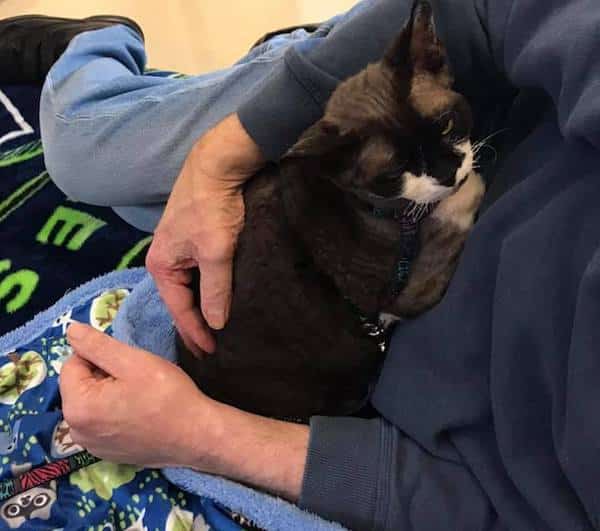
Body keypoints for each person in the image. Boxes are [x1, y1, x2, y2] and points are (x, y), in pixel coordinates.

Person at [2, 0, 600, 528]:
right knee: (83, 153)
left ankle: (212, 82)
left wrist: (199, 433)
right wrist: (222, 155)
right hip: (406, 115)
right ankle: (97, 44)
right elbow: (474, 9)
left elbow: (493, 510)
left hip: (371, 300)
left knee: (128, 202)